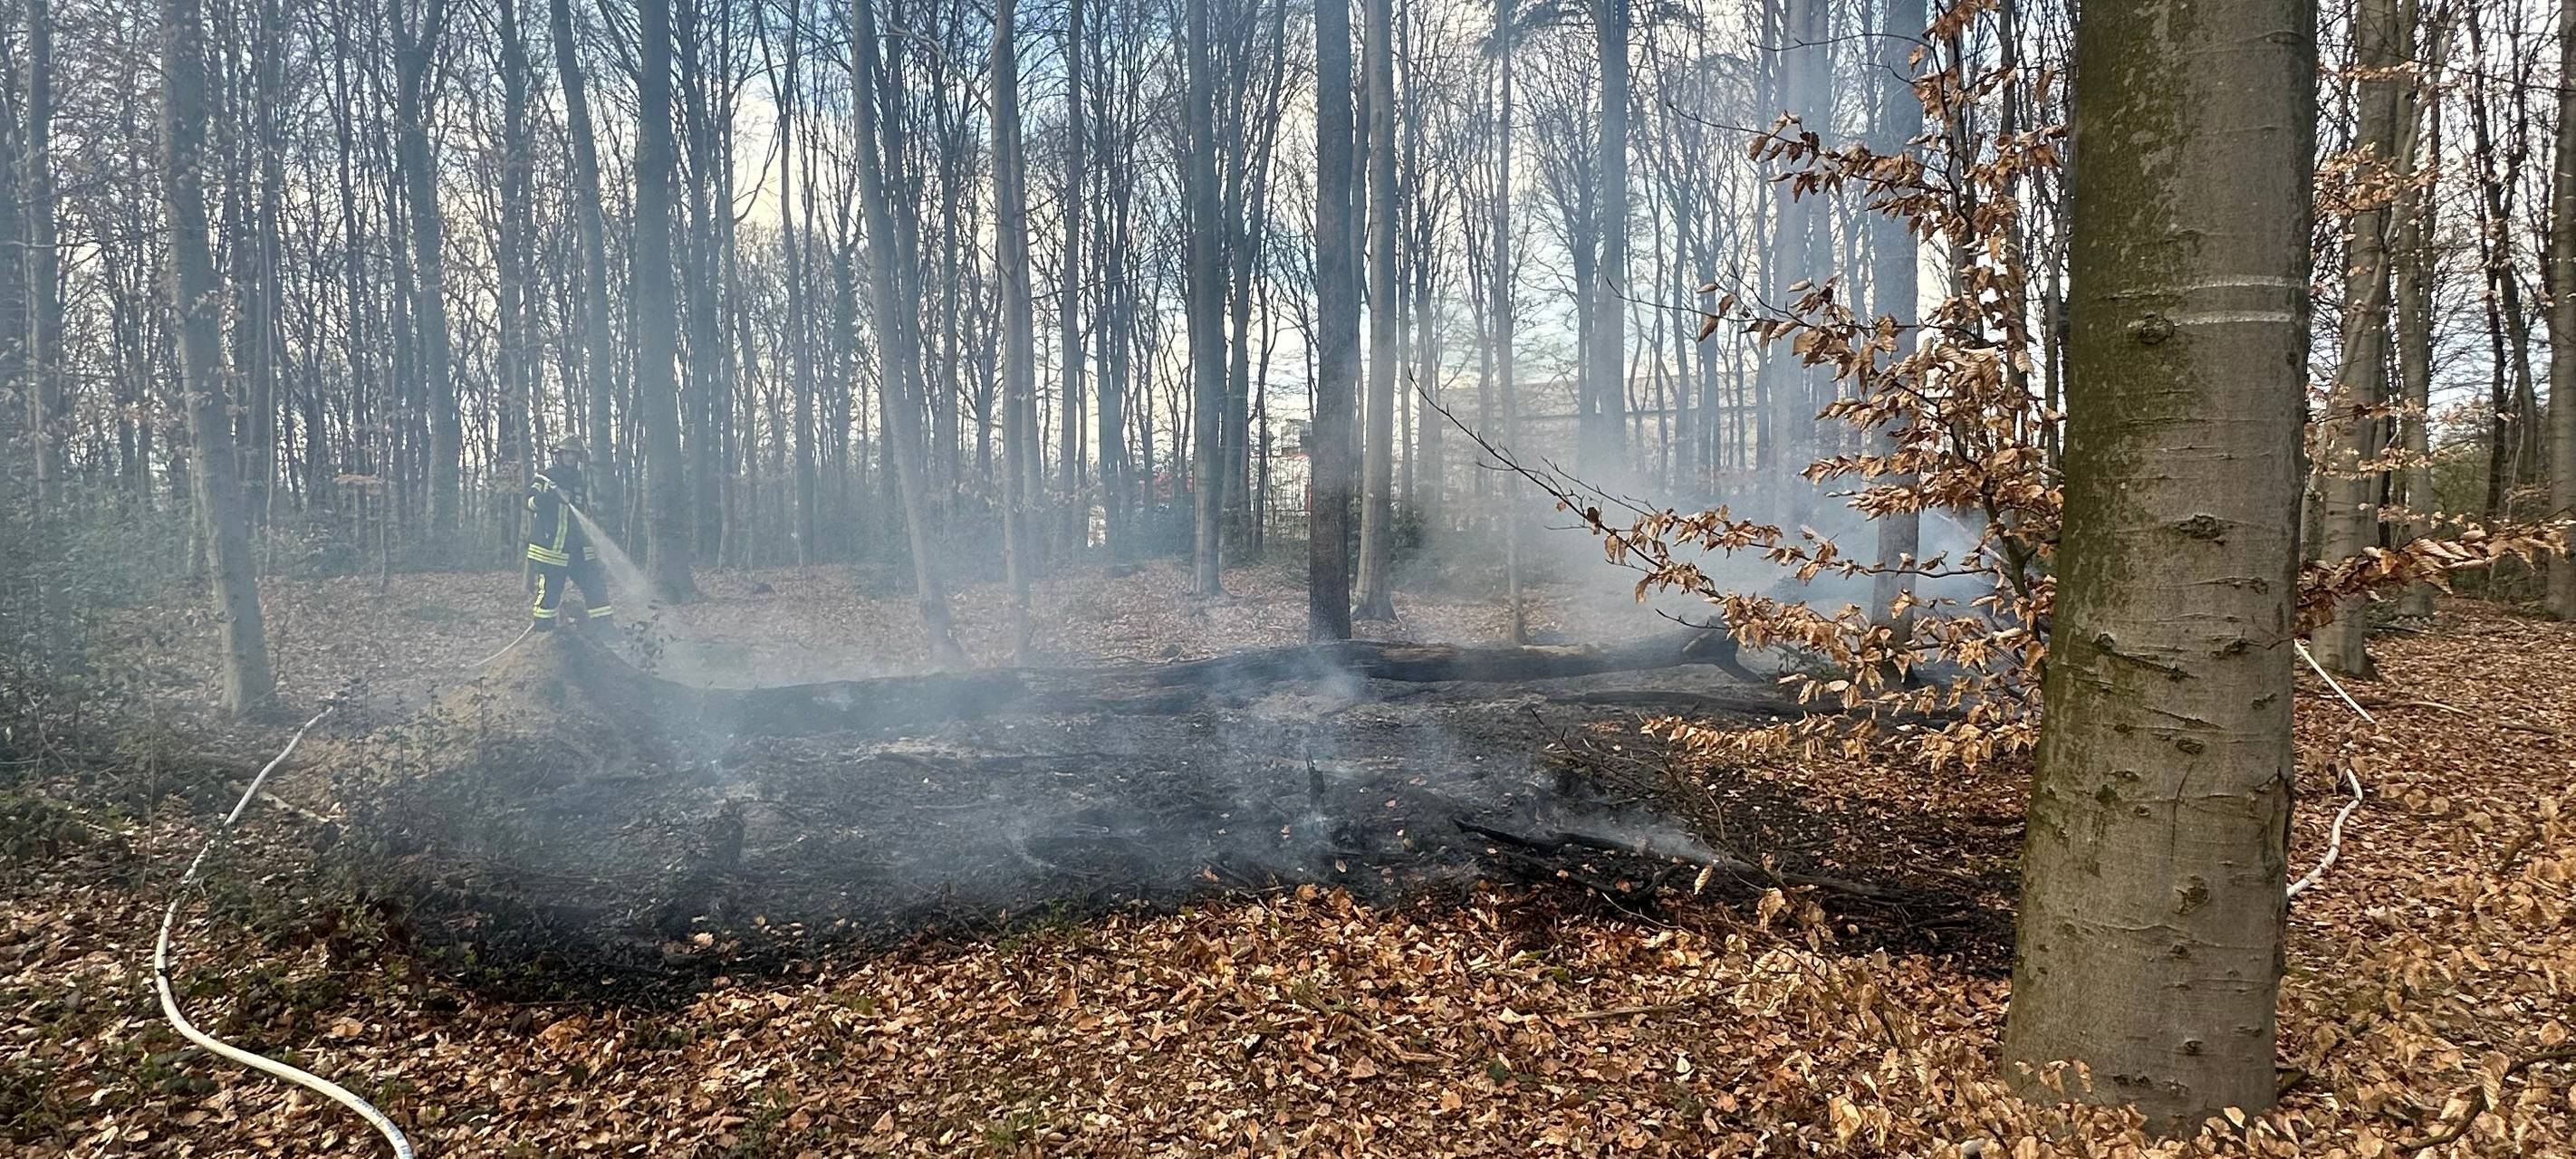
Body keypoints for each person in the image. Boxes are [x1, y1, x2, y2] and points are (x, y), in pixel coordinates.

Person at [525, 441, 614, 633]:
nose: (571, 458)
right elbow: (530, 503)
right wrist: (550, 496)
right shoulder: (545, 478)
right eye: (567, 454)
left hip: (578, 550)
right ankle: (544, 634)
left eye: (574, 455)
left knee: (596, 588)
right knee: (550, 594)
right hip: (552, 550)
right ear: (559, 455)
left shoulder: (579, 481)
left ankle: (607, 633)